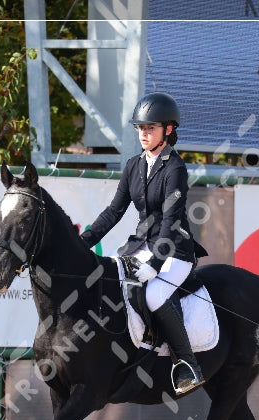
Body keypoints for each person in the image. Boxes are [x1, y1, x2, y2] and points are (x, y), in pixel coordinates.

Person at [79, 91, 206, 395]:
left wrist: (156, 264)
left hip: (174, 250)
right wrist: (82, 242)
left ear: (168, 130)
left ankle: (186, 364)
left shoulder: (175, 169)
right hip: (139, 245)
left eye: (150, 128)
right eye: (140, 128)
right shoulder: (133, 166)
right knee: (103, 279)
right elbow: (114, 211)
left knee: (155, 294)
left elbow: (171, 220)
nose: (144, 134)